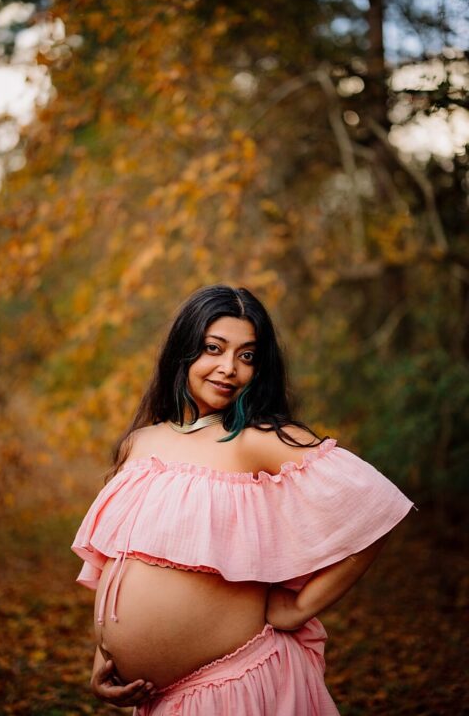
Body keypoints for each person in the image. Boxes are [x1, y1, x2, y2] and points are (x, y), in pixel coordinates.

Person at [71, 285, 414, 714]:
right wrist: (103, 656)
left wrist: (299, 607)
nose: (229, 368)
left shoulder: (257, 439)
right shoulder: (140, 443)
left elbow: (377, 504)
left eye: (247, 355)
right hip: (160, 701)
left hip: (234, 685)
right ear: (183, 351)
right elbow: (116, 565)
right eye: (213, 348)